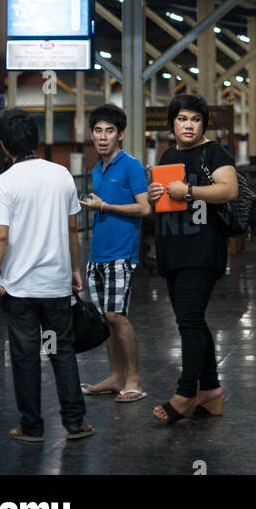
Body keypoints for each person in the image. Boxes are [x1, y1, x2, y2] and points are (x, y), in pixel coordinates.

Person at [0, 108, 93, 442]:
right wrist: (75, 270)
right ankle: (75, 423)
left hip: (20, 288)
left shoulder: (2, 183)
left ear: (5, 145)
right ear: (37, 139)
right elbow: (72, 227)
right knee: (62, 351)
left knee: (25, 357)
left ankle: (31, 427)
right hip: (56, 284)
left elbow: (0, 236)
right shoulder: (60, 175)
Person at [146, 94, 238, 425]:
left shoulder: (213, 152)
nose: (189, 125)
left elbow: (229, 190)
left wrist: (187, 191)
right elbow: (160, 203)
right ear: (172, 123)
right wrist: (155, 197)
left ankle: (185, 394)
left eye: (195, 119)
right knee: (193, 320)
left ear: (203, 124)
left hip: (202, 251)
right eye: (183, 118)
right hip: (173, 250)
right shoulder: (168, 155)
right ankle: (210, 391)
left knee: (190, 321)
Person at [79, 104, 150, 402]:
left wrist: (105, 207)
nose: (103, 137)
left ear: (120, 135)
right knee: (104, 320)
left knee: (117, 316)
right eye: (98, 131)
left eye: (109, 131)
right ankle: (115, 376)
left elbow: (145, 207)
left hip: (121, 254)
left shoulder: (131, 165)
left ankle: (133, 379)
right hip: (96, 255)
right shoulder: (98, 169)